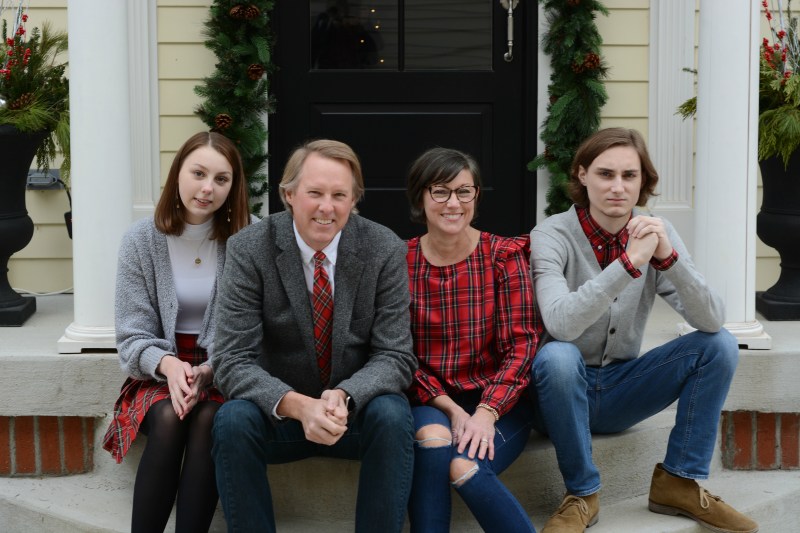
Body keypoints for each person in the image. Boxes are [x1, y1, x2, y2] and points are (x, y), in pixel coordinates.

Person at [529, 128, 758, 533]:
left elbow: (711, 319)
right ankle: (582, 494)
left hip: (623, 389)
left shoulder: (656, 231)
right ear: (582, 175)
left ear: (643, 181)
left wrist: (668, 258)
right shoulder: (551, 235)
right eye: (605, 174)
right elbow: (561, 324)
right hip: (560, 394)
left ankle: (679, 481)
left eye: (629, 175)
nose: (617, 187)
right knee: (557, 356)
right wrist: (629, 264)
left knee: (719, 345)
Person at [210, 139, 418, 533]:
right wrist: (297, 406)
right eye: (315, 193)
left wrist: (345, 395)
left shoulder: (383, 248)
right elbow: (231, 359)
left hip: (350, 416)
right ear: (289, 194)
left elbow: (395, 355)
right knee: (231, 420)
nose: (327, 207)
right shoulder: (249, 248)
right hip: (281, 417)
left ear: (354, 199)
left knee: (393, 413)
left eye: (340, 195)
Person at [102, 131, 252, 532]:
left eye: (221, 179)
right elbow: (131, 335)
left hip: (226, 368)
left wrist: (209, 371)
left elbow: (253, 331)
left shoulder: (248, 239)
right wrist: (170, 366)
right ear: (177, 174)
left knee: (210, 419)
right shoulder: (141, 240)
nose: (207, 188)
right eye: (198, 173)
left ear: (233, 186)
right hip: (157, 369)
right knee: (169, 417)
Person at [405, 147, 542, 532]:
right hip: (430, 400)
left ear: (476, 196)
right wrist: (452, 410)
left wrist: (486, 412)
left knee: (464, 465)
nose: (453, 203)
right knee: (433, 443)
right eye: (440, 191)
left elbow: (522, 346)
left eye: (464, 191)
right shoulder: (400, 262)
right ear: (420, 196)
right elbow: (398, 354)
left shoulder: (503, 256)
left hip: (499, 402)